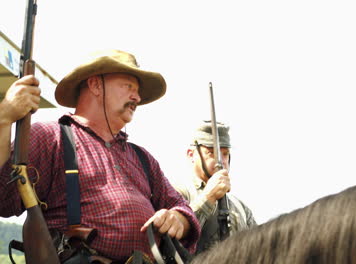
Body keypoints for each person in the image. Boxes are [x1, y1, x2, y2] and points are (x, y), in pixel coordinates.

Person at [0, 50, 200, 263]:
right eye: (128, 86)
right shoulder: (52, 137)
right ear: (95, 85)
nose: (137, 97)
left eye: (138, 91)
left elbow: (182, 206)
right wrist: (5, 118)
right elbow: (4, 198)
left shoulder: (142, 158)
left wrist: (179, 218)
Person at [174, 120, 256, 254]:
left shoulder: (241, 207)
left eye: (225, 153)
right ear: (191, 154)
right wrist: (209, 197)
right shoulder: (177, 192)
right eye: (212, 152)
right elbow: (171, 242)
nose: (221, 161)